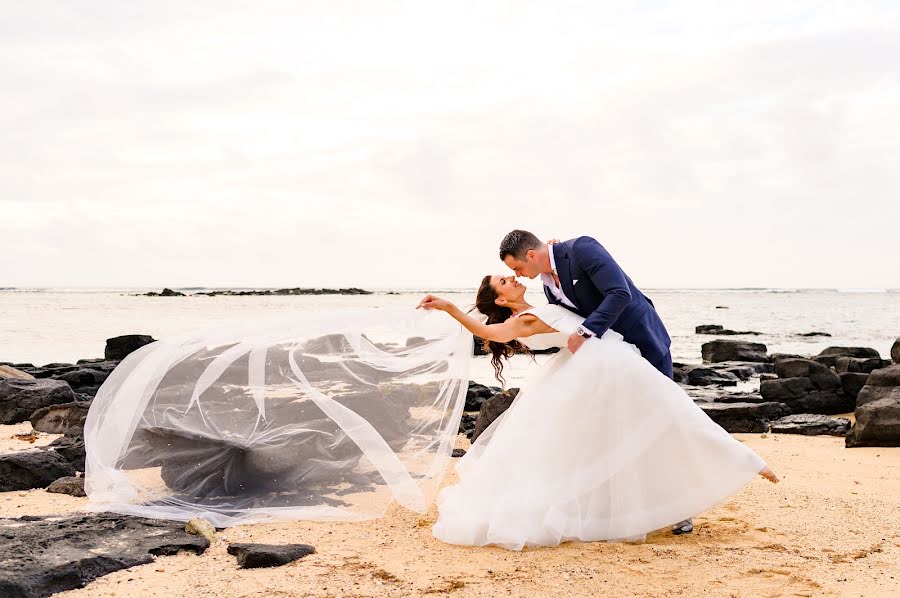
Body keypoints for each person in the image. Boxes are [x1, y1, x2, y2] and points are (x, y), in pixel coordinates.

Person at [417, 277, 777, 551]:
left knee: (643, 429)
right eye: (504, 280)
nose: (512, 278)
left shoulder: (538, 305)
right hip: (604, 369)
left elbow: (565, 293)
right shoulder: (522, 321)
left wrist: (553, 263)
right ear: (501, 298)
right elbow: (486, 330)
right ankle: (745, 461)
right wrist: (451, 308)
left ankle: (707, 481)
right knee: (673, 409)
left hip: (602, 367)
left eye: (510, 273)